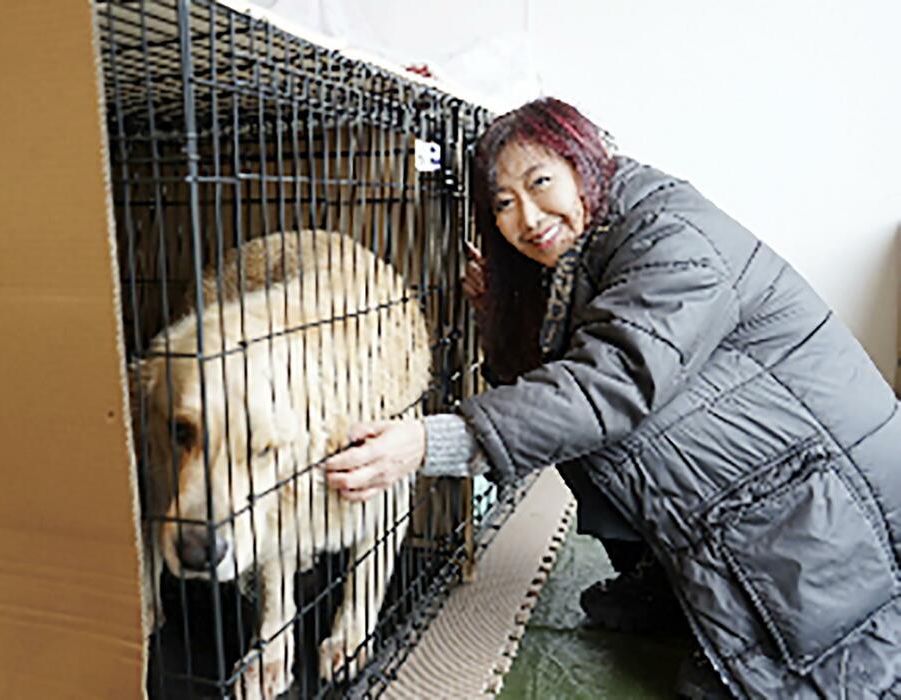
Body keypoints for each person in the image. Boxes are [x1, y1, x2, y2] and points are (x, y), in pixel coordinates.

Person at [324, 97, 901, 698]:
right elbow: (546, 391)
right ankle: (669, 581)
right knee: (571, 423)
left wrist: (429, 441)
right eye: (502, 203)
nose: (527, 215)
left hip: (836, 500)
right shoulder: (586, 247)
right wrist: (497, 311)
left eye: (540, 181)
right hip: (779, 477)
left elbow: (612, 382)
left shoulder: (667, 233)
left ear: (584, 156)